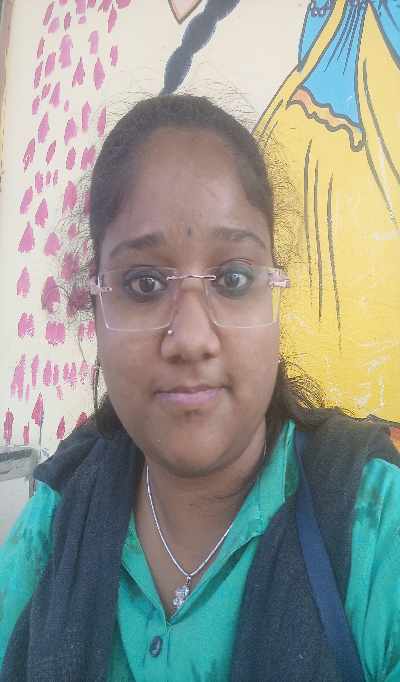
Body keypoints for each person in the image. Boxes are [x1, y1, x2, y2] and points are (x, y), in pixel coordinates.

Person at [0, 95, 399, 681]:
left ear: (273, 297)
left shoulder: (375, 526)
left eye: (233, 278)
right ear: (95, 309)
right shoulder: (57, 520)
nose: (190, 338)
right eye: (143, 283)